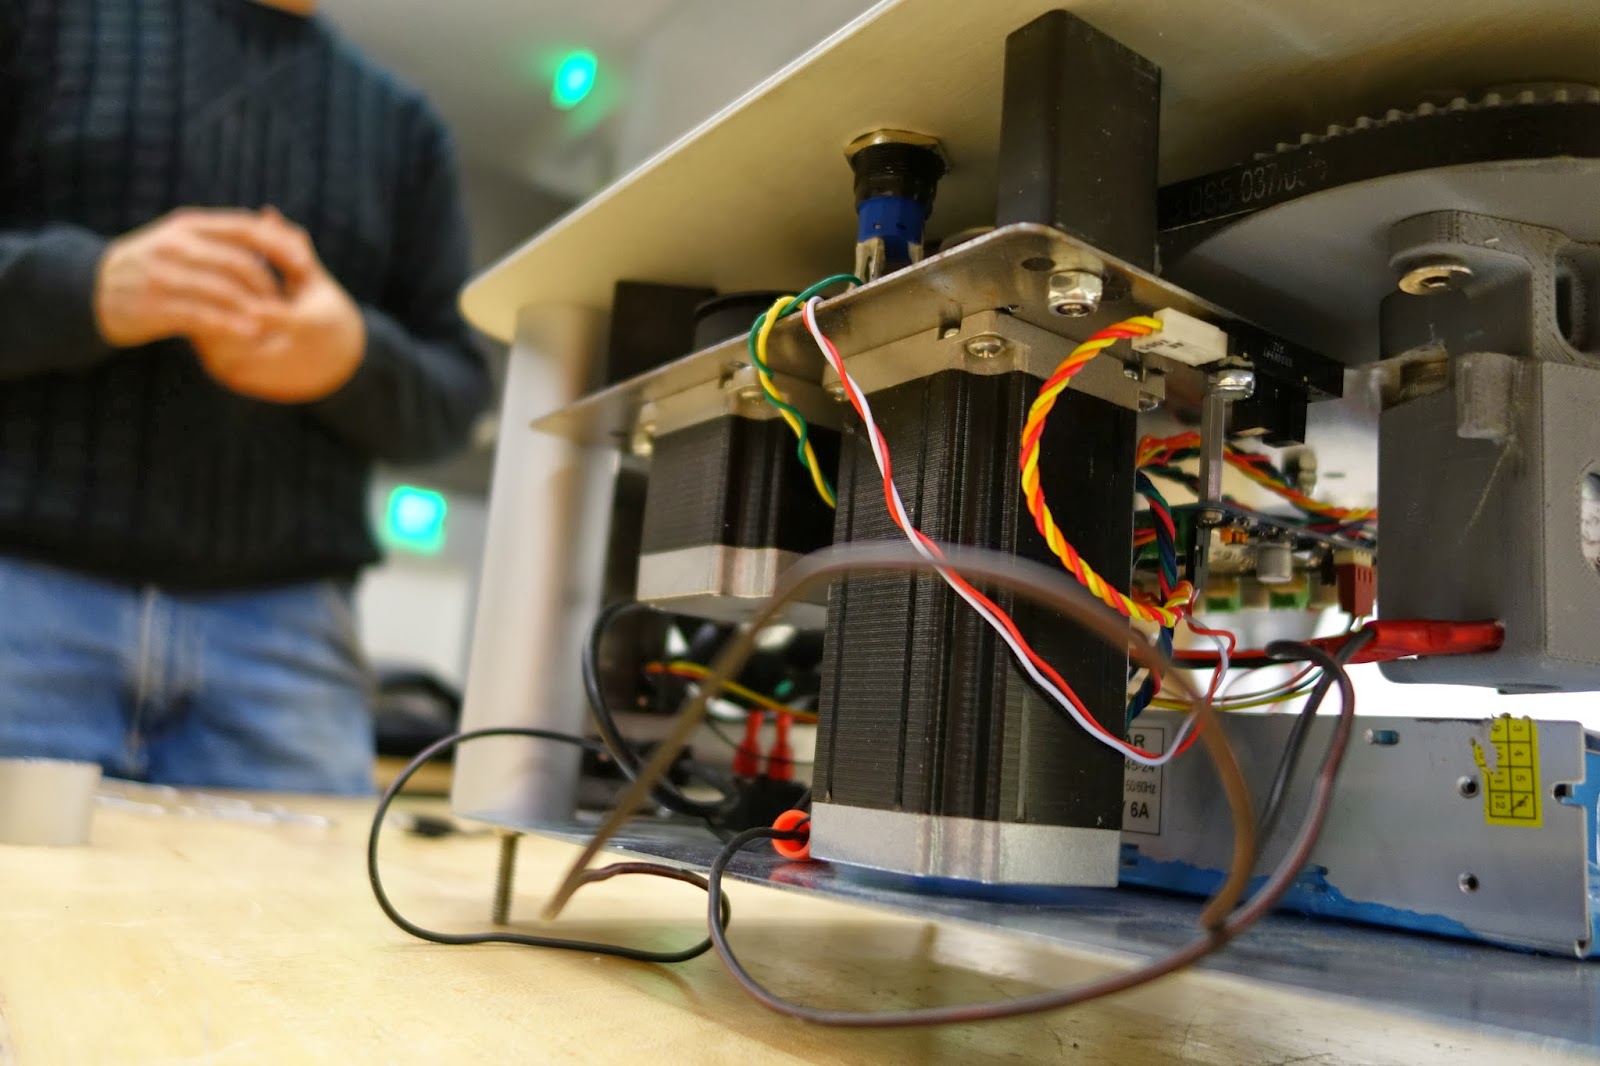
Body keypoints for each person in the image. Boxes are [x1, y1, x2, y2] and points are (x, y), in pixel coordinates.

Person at [0, 0, 492, 793]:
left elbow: (457, 396)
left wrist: (350, 357)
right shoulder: (39, 21)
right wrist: (88, 288)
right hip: (22, 593)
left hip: (286, 634)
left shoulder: (406, 130)